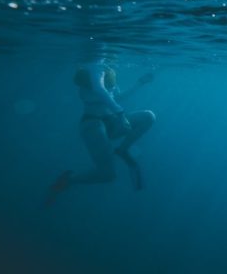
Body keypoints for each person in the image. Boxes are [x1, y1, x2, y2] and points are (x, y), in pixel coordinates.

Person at [46, 60, 155, 205]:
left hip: (111, 122)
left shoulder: (105, 70)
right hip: (93, 125)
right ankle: (68, 180)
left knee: (148, 116)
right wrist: (121, 114)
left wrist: (140, 83)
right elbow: (99, 90)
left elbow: (116, 97)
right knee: (108, 175)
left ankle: (122, 150)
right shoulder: (94, 69)